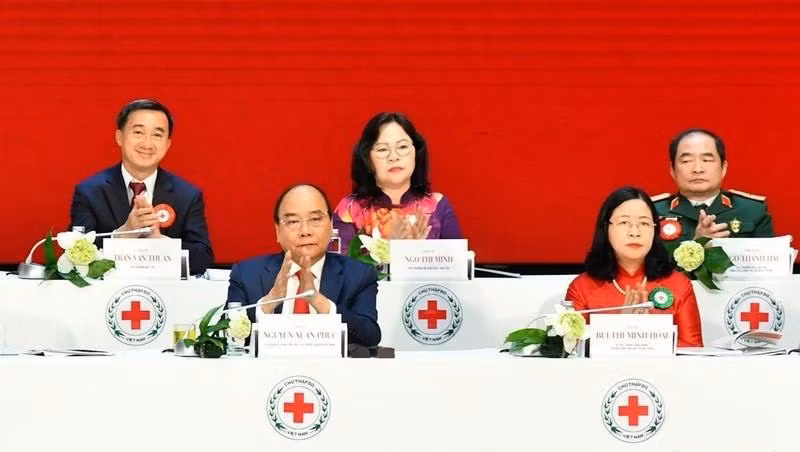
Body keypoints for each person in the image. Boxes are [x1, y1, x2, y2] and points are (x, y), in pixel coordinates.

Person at [69, 99, 213, 274]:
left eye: (157, 135)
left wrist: (161, 243)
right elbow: (76, 254)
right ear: (119, 137)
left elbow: (203, 258)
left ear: (168, 144)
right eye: (138, 132)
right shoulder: (89, 192)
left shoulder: (187, 195)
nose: (147, 144)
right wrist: (123, 234)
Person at [227, 183, 381, 347]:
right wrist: (268, 303)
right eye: (293, 221)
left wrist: (319, 301)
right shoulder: (246, 274)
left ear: (330, 225)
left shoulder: (358, 275)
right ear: (277, 231)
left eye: (315, 219)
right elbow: (223, 334)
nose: (305, 231)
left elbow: (370, 336)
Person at [566, 186, 703, 347]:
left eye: (644, 223)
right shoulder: (582, 288)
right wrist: (622, 328)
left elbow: (694, 352)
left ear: (655, 229)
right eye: (624, 222)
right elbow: (570, 353)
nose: (635, 232)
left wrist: (646, 333)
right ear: (605, 227)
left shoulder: (678, 285)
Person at [333, 112, 462, 252]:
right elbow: (341, 270)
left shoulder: (437, 205)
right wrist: (391, 246)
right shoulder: (350, 209)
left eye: (402, 147)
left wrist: (416, 250)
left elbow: (455, 268)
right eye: (382, 149)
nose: (394, 157)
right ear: (368, 160)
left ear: (416, 154)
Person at [652, 128, 774, 243]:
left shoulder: (752, 210)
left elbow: (768, 262)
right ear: (673, 170)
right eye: (686, 161)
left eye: (707, 160)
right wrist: (697, 244)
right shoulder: (652, 213)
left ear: (723, 168)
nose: (698, 169)